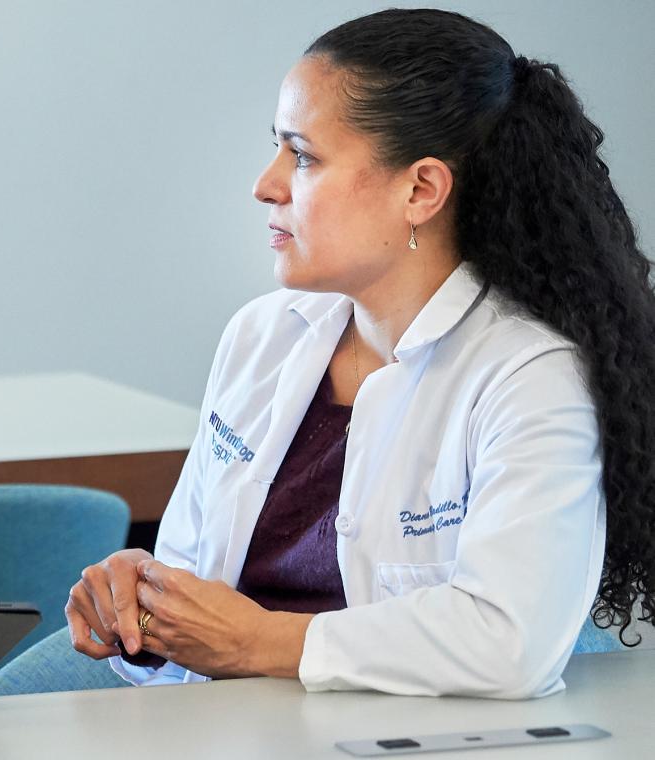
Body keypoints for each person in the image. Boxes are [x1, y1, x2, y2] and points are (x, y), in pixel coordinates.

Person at [67, 8, 655, 698]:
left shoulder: (529, 375)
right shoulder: (261, 335)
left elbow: (508, 642)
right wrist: (140, 604)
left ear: (421, 190)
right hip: (224, 719)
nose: (266, 184)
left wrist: (258, 641)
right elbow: (193, 587)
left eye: (303, 156)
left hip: (405, 731)